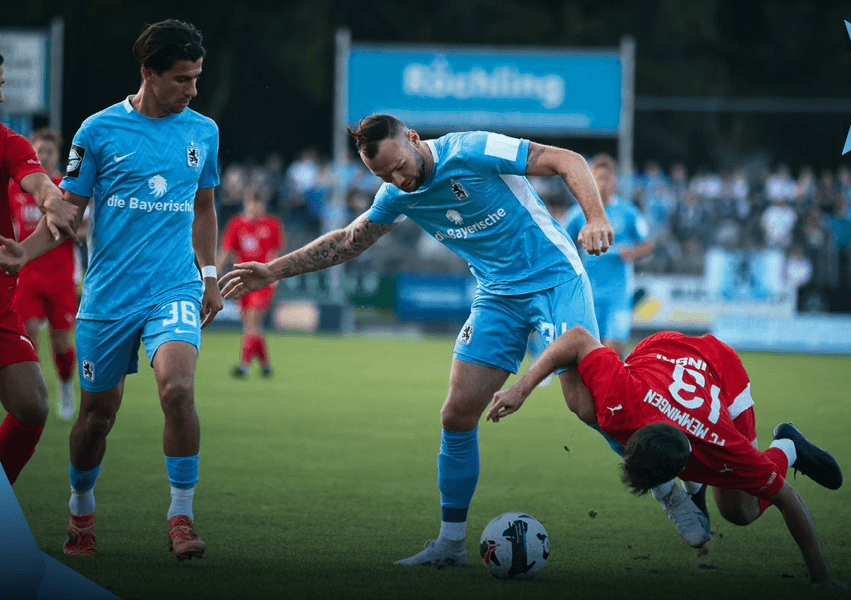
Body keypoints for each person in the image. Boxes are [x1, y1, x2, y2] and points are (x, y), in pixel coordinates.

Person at [221, 113, 619, 567]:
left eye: (398, 166)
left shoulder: (470, 149)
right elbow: (351, 239)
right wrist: (273, 270)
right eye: (382, 175)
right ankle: (450, 544)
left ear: (412, 138)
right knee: (456, 413)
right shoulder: (396, 193)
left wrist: (595, 217)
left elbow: (566, 159)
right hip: (498, 295)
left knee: (585, 404)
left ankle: (670, 483)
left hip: (554, 278)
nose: (398, 179)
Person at [0, 21, 222, 561]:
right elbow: (67, 211)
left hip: (173, 287)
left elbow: (204, 207)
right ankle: (81, 511)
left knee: (178, 391)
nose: (193, 89)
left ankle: (181, 517)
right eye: (181, 79)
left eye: (196, 78)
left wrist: (210, 276)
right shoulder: (97, 131)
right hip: (106, 299)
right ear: (148, 73)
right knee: (97, 417)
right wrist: (23, 253)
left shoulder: (204, 131)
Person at [486, 326, 851, 590]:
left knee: (742, 511)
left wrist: (822, 579)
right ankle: (686, 495)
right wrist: (522, 389)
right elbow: (577, 338)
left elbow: (787, 499)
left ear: (685, 466)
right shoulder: (621, 403)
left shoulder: (723, 449)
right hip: (662, 351)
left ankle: (788, 445)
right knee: (586, 409)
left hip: (722, 371)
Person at [0, 52, 78, 486]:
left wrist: (52, 202)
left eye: (2, 83)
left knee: (32, 407)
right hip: (26, 282)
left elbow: (41, 186)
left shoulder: (9, 142)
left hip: (7, 297)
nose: (0, 94)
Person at [9, 128, 79, 420]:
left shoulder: (68, 189)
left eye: (50, 152)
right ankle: (35, 394)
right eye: (40, 151)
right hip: (27, 275)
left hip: (61, 277)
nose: (45, 156)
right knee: (27, 335)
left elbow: (82, 230)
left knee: (61, 344)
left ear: (57, 156)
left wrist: (76, 229)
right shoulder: (15, 188)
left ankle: (64, 385)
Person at [565, 153, 653, 358]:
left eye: (604, 178)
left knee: (614, 348)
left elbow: (648, 244)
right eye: (595, 178)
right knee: (590, 349)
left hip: (618, 293)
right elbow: (562, 242)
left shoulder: (628, 212)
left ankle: (622, 375)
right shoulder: (577, 213)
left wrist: (631, 252)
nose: (600, 183)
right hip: (588, 291)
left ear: (613, 180)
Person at [218, 188, 283, 377]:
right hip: (242, 280)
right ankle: (266, 366)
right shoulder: (236, 224)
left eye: (258, 203)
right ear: (245, 204)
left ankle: (243, 365)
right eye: (251, 203)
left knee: (253, 320)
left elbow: (276, 253)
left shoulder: (272, 224)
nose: (255, 207)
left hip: (263, 281)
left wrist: (276, 278)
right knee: (252, 325)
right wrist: (214, 275)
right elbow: (226, 251)